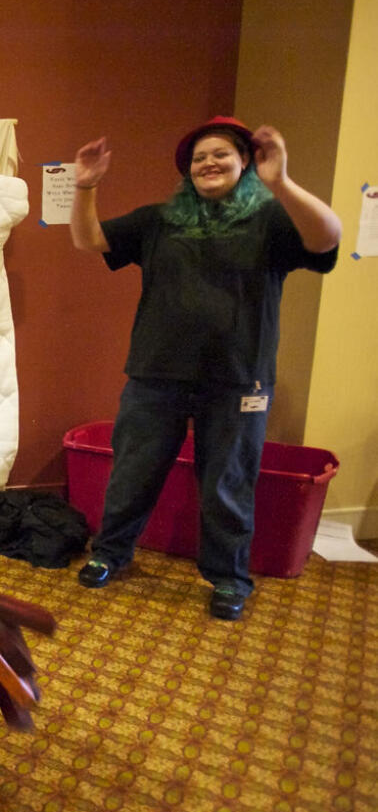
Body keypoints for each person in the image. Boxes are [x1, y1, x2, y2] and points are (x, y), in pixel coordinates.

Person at [69, 116, 341, 621]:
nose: (209, 163)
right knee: (132, 473)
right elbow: (90, 241)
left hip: (240, 380)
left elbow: (327, 238)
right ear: (187, 171)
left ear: (245, 163)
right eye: (199, 157)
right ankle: (110, 553)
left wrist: (280, 181)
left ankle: (229, 579)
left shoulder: (271, 221)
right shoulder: (160, 221)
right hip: (156, 376)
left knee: (228, 484)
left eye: (221, 154)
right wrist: (86, 187)